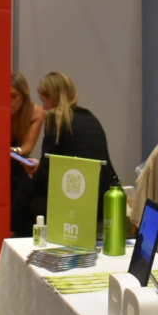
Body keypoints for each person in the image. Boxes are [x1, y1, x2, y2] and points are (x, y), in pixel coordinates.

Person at [23, 72, 119, 224]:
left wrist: (34, 175)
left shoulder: (56, 118)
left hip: (79, 201)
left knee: (25, 190)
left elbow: (47, 169)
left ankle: (11, 233)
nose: (44, 107)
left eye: (44, 101)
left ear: (52, 97)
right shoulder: (90, 117)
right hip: (104, 198)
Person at [10, 72, 45, 236]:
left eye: (13, 96)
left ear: (23, 96)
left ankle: (14, 231)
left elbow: (27, 148)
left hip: (18, 160)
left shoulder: (35, 112)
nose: (8, 102)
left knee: (25, 182)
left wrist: (11, 150)